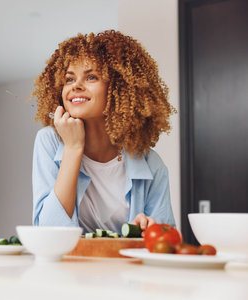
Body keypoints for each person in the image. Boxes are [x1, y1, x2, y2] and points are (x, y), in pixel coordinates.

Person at [30, 30, 176, 235]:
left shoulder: (152, 166)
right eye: (69, 79)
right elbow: (48, 234)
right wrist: (73, 147)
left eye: (91, 77)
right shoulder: (49, 141)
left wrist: (146, 231)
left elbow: (166, 243)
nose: (76, 86)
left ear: (119, 87)